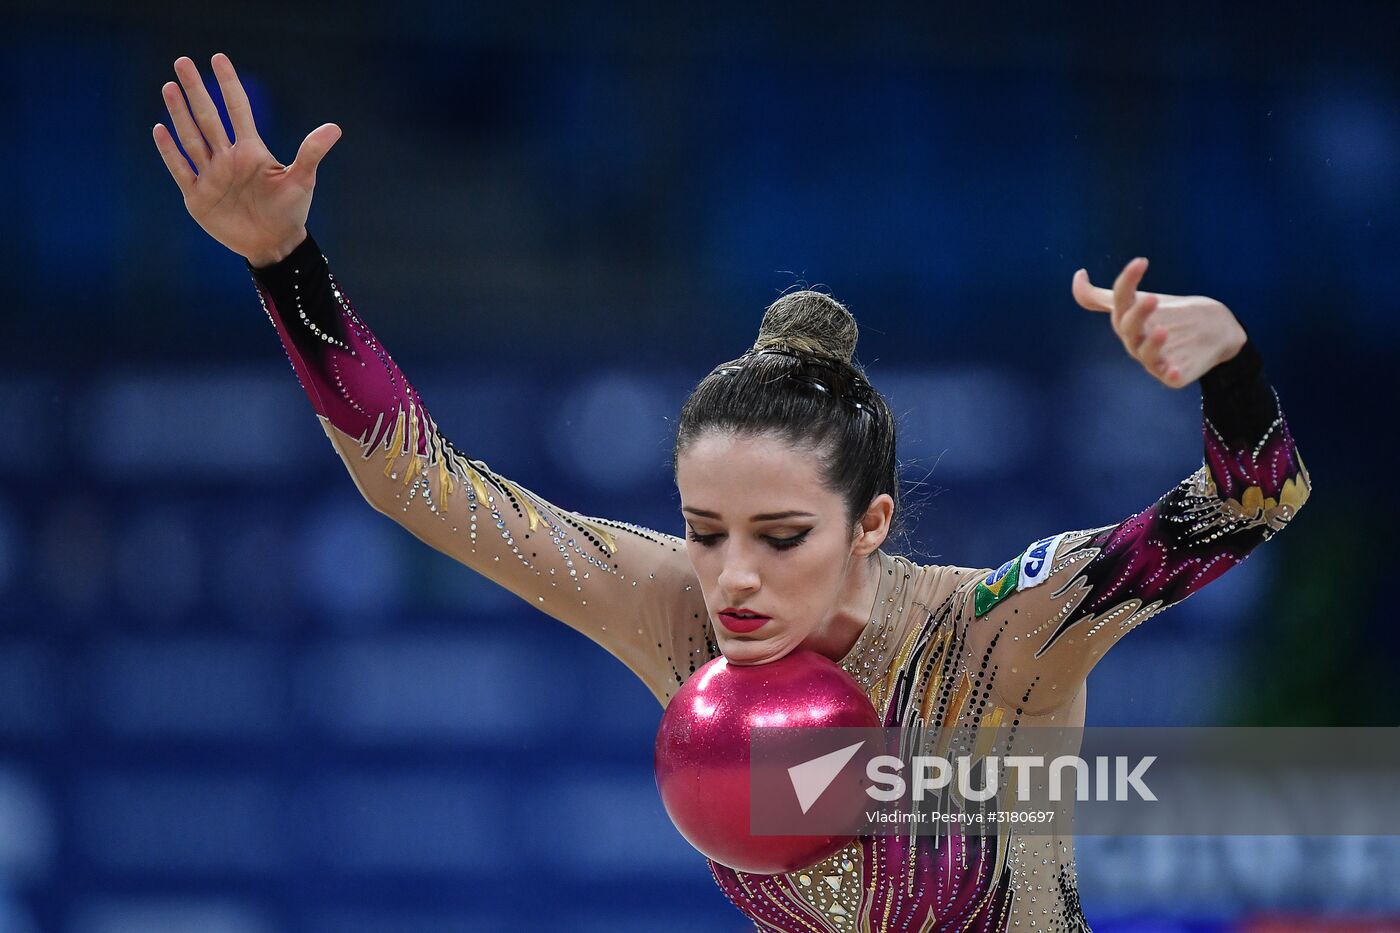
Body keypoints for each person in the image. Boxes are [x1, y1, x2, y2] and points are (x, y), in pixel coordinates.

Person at [154, 53, 1311, 932]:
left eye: (779, 535)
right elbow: (418, 481)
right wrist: (283, 263)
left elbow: (1255, 499)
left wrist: (1228, 367)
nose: (734, 577)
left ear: (869, 525)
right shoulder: (676, 611)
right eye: (705, 532)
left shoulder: (995, 635)